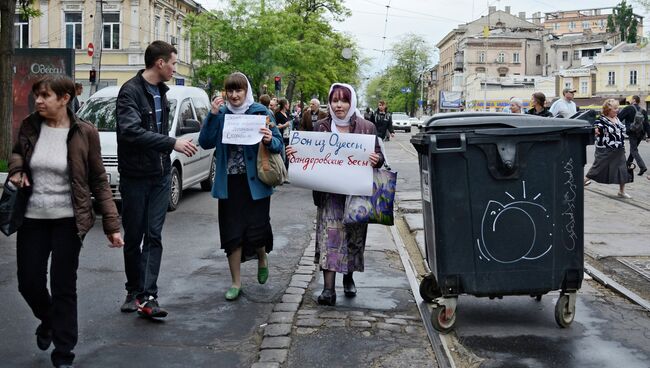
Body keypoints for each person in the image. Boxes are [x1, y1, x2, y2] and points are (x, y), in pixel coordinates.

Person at [8, 74, 124, 368]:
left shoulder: (85, 133)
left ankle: (64, 353)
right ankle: (49, 320)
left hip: (68, 222)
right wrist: (17, 171)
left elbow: (98, 179)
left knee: (63, 286)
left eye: (45, 96)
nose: (38, 101)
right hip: (32, 219)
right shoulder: (30, 126)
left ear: (64, 99)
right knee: (29, 283)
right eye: (37, 95)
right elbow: (18, 155)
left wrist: (112, 225)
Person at [116, 41, 198, 318]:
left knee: (154, 235)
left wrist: (167, 150)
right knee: (134, 237)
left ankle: (148, 296)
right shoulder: (130, 92)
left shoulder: (163, 92)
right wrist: (170, 143)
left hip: (160, 174)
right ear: (160, 63)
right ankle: (133, 290)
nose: (175, 68)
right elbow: (130, 131)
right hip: (135, 176)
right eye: (173, 63)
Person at [286, 83, 385, 306]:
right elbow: (306, 156)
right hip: (329, 195)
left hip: (356, 196)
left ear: (351, 103)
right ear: (329, 103)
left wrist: (376, 159)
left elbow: (379, 158)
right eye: (334, 100)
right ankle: (328, 289)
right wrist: (293, 154)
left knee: (352, 238)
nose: (339, 105)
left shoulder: (366, 127)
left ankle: (348, 277)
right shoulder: (321, 127)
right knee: (329, 237)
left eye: (344, 100)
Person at [198, 72, 283, 301]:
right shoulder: (222, 114)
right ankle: (236, 282)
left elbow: (279, 145)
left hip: (255, 184)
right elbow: (205, 142)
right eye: (230, 91)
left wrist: (268, 139)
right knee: (232, 234)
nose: (234, 95)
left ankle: (262, 257)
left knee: (257, 230)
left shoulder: (260, 112)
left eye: (239, 90)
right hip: (229, 184)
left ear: (247, 91)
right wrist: (213, 115)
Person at [584, 99, 631, 198]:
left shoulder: (617, 119)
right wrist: (596, 131)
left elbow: (621, 130)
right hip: (605, 149)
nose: (617, 110)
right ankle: (582, 182)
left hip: (619, 148)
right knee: (597, 167)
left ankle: (621, 191)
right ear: (608, 109)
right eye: (615, 108)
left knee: (622, 169)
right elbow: (596, 128)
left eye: (617, 108)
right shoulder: (601, 120)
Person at [618, 95, 649, 176]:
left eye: (631, 99)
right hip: (641, 133)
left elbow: (619, 118)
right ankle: (627, 165)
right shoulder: (643, 111)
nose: (630, 100)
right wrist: (648, 136)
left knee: (633, 150)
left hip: (632, 132)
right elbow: (647, 124)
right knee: (634, 149)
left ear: (634, 100)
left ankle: (642, 167)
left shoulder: (628, 108)